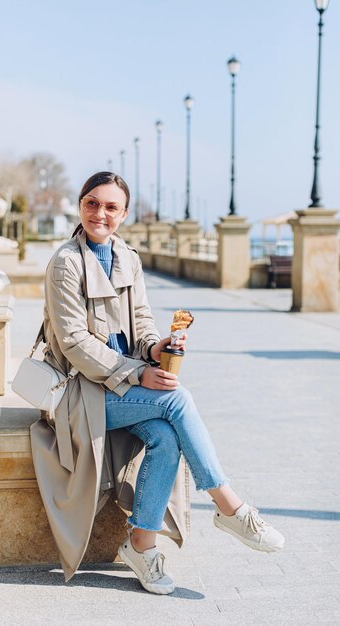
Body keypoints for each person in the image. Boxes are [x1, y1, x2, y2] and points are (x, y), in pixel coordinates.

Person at [31, 171, 284, 596]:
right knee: (176, 402)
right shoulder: (65, 263)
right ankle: (229, 506)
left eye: (111, 207)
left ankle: (141, 545)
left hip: (120, 386)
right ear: (80, 206)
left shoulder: (128, 257)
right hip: (81, 392)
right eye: (92, 203)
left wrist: (155, 347)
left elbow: (143, 324)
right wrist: (138, 373)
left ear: (124, 214)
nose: (100, 213)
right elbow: (74, 343)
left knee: (167, 435)